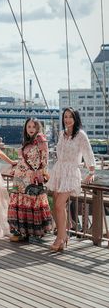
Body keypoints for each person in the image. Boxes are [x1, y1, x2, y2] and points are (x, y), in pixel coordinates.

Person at [46, 107, 95, 252]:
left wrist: (91, 171)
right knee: (56, 205)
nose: (67, 119)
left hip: (71, 172)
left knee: (60, 204)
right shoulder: (62, 134)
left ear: (75, 119)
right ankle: (64, 235)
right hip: (59, 171)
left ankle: (60, 237)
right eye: (65, 117)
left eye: (70, 117)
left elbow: (88, 152)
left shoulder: (80, 135)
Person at [8, 118, 52, 242]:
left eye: (33, 126)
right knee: (20, 203)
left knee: (30, 203)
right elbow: (25, 159)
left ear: (38, 128)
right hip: (19, 178)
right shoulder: (27, 141)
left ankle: (29, 232)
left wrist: (39, 174)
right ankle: (22, 232)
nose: (31, 129)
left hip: (30, 177)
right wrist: (16, 167)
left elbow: (44, 161)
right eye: (28, 127)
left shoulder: (40, 139)